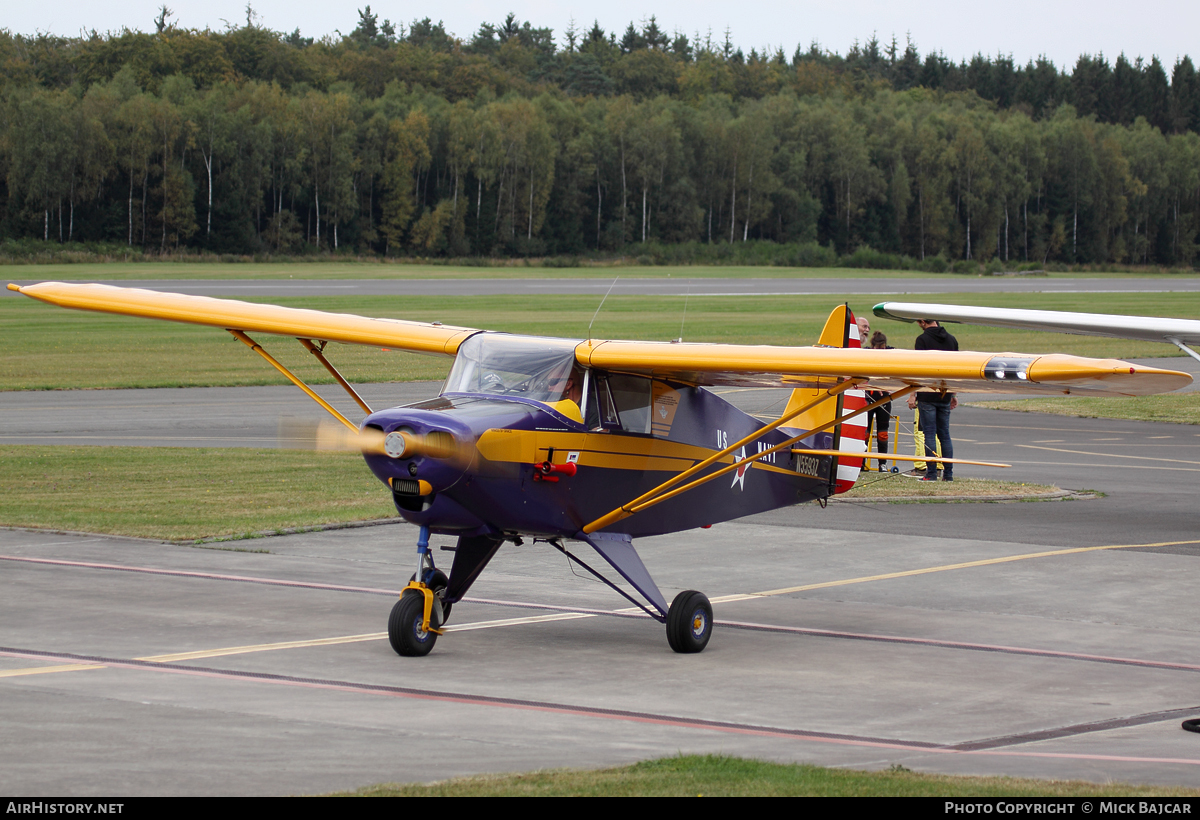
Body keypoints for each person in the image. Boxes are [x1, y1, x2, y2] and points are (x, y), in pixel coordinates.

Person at [906, 319, 958, 481]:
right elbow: (956, 368)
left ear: (923, 322)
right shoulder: (951, 339)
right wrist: (954, 394)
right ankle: (948, 474)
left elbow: (918, 369)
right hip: (945, 392)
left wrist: (913, 394)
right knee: (944, 435)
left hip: (927, 393)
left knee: (929, 434)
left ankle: (931, 473)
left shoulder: (922, 340)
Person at [865, 331, 893, 470]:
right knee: (865, 432)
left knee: (883, 433)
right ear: (872, 346)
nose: (881, 351)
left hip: (884, 398)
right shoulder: (865, 354)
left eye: (883, 348)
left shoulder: (891, 353)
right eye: (878, 348)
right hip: (868, 398)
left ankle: (882, 463)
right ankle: (861, 461)